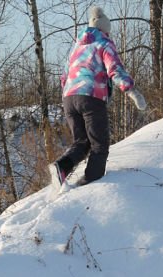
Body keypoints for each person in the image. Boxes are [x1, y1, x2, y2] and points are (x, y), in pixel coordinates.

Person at [50, 5, 146, 188]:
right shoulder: (104, 43)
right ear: (105, 29)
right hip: (91, 97)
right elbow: (115, 69)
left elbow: (64, 76)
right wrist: (131, 90)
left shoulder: (76, 47)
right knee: (99, 145)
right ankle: (89, 186)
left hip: (69, 98)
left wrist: (68, 96)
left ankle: (61, 168)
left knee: (82, 142)